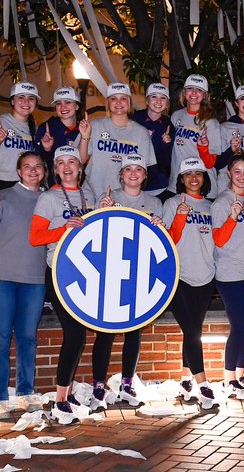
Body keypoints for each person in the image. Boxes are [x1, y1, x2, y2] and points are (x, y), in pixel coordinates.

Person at [0, 152, 48, 409]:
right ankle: (0, 397)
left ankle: (26, 392)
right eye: (27, 166)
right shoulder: (2, 196)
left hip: (34, 279)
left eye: (38, 166)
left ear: (45, 171)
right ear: (18, 171)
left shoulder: (50, 200)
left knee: (28, 337)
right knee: (0, 338)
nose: (33, 170)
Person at [90, 153, 164, 401]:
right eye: (128, 169)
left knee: (134, 332)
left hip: (139, 275)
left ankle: (127, 383)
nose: (133, 173)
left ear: (145, 175)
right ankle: (99, 384)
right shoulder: (109, 198)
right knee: (105, 332)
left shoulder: (155, 202)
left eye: (138, 169)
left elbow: (159, 243)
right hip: (110, 274)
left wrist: (160, 226)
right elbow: (94, 234)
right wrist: (101, 211)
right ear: (121, 174)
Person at [29, 146, 95, 415]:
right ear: (55, 169)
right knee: (75, 334)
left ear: (80, 168)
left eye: (72, 162)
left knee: (78, 337)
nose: (67, 167)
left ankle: (66, 393)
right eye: (61, 163)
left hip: (86, 271)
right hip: (59, 272)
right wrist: (63, 229)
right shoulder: (48, 198)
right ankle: (60, 399)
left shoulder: (88, 195)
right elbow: (35, 237)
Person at [162, 158, 218, 409]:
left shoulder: (210, 205)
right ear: (181, 179)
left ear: (204, 178)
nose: (193, 178)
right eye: (188, 174)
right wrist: (180, 218)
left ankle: (186, 379)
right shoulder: (172, 203)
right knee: (194, 332)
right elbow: (167, 239)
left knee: (192, 329)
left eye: (198, 173)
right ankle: (204, 385)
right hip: (179, 276)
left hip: (206, 276)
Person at [213, 155, 244, 399]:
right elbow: (219, 240)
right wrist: (232, 217)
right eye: (237, 171)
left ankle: (240, 375)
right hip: (230, 274)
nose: (242, 176)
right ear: (229, 174)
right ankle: (228, 378)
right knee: (239, 326)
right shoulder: (221, 202)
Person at [83, 82, 156, 198]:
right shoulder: (95, 125)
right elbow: (81, 160)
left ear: (129, 102)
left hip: (123, 197)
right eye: (113, 98)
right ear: (107, 102)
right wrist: (84, 137)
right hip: (91, 193)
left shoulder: (141, 132)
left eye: (123, 98)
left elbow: (144, 171)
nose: (118, 102)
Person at [0, 82, 41, 208]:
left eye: (31, 98)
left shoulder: (35, 129)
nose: (26, 102)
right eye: (21, 97)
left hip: (20, 186)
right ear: (12, 101)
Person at [169, 74, 222, 197]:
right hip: (177, 183)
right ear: (184, 92)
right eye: (190, 88)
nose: (193, 93)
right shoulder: (176, 116)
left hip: (203, 187)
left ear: (204, 95)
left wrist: (202, 148)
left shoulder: (210, 122)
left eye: (199, 90)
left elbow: (210, 163)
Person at [133, 83, 174, 197]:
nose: (158, 101)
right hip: (131, 180)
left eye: (163, 98)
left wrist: (167, 144)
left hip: (156, 185)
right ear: (146, 101)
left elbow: (166, 162)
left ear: (167, 104)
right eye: (154, 96)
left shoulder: (168, 126)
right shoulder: (134, 119)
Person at [35, 87, 87, 174]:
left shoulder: (84, 130)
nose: (63, 107)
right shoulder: (46, 128)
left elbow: (84, 162)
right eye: (58, 103)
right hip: (52, 185)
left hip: (78, 184)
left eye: (68, 102)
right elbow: (38, 163)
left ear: (77, 105)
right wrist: (47, 150)